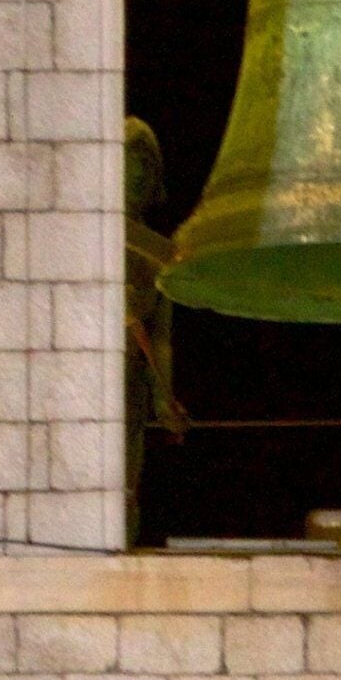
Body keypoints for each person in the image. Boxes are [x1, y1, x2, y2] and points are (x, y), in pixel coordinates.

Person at [124, 118, 188, 503]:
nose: (137, 173)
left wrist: (164, 398)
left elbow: (160, 337)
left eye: (146, 163)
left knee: (126, 490)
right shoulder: (79, 238)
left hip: (130, 388)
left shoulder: (160, 255)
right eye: (131, 160)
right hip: (81, 385)